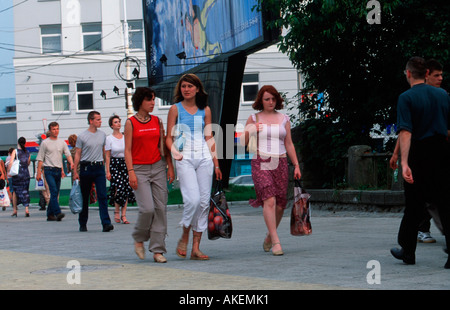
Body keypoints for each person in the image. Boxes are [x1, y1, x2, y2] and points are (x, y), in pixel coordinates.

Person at [390, 56, 450, 269]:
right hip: (442, 151)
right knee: (444, 203)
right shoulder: (443, 95)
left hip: (419, 151)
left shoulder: (406, 98)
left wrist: (404, 162)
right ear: (426, 74)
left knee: (414, 204)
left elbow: (406, 132)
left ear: (408, 74)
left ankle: (408, 252)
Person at [166, 73, 222, 261]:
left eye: (190, 86)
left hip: (205, 157)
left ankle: (196, 248)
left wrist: (216, 163)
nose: (187, 89)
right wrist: (174, 152)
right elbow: (168, 137)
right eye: (184, 86)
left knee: (204, 203)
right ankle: (184, 235)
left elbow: (209, 137)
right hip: (184, 157)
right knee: (193, 200)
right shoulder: (175, 109)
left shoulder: (205, 110)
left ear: (197, 89)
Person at [241, 85, 301, 256]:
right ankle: (276, 242)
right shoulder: (253, 118)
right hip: (261, 160)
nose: (270, 102)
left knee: (281, 204)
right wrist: (251, 130)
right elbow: (242, 143)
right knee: (269, 200)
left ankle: (269, 235)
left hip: (281, 162)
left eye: (273, 99)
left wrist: (296, 165)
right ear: (261, 100)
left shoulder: (284, 119)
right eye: (267, 99)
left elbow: (289, 143)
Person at [125, 87, 174, 263]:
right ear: (140, 102)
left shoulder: (157, 121)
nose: (153, 103)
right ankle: (139, 238)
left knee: (161, 209)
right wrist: (131, 172)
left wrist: (169, 166)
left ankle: (158, 250)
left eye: (153, 99)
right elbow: (127, 150)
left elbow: (163, 147)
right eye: (149, 100)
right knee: (147, 209)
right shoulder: (130, 123)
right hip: (139, 170)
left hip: (158, 167)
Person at [72, 111, 114, 232]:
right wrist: (75, 171)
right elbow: (78, 154)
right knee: (85, 197)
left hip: (99, 167)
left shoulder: (102, 135)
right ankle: (83, 223)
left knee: (102, 196)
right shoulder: (82, 136)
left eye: (100, 119)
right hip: (86, 168)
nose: (100, 121)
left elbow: (105, 153)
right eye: (98, 120)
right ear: (91, 121)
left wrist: (107, 170)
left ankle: (106, 223)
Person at [36, 122, 73, 221]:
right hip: (48, 169)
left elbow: (68, 154)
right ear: (50, 130)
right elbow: (40, 158)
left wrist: (72, 164)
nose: (56, 131)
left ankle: (50, 214)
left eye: (57, 129)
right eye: (53, 129)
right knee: (53, 190)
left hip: (58, 170)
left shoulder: (62, 142)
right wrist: (39, 172)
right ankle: (58, 212)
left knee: (55, 193)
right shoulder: (45, 143)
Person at [105, 115, 135, 224]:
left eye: (119, 122)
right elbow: (107, 156)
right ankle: (116, 211)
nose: (118, 124)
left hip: (125, 163)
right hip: (115, 163)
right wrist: (107, 171)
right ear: (112, 125)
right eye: (115, 122)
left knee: (127, 187)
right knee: (119, 186)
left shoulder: (125, 136)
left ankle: (124, 214)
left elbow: (129, 151)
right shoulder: (109, 138)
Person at [8, 137, 31, 217]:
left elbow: (11, 162)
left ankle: (15, 210)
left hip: (17, 174)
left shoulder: (15, 151)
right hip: (26, 173)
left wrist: (9, 170)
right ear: (25, 143)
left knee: (15, 191)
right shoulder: (27, 152)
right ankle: (26, 209)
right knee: (25, 191)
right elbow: (28, 163)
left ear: (18, 143)